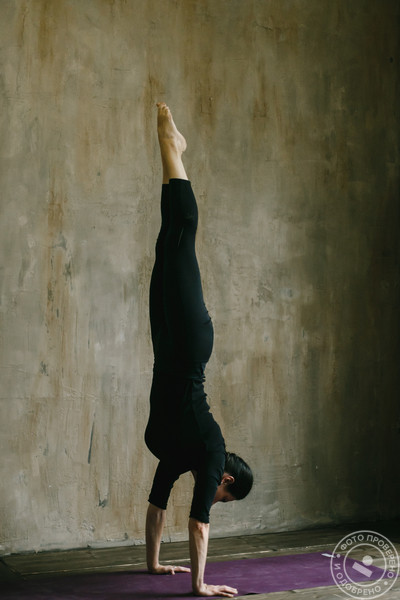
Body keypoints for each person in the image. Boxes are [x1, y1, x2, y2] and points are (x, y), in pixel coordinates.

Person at [145, 103, 253, 598]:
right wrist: (200, 585)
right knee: (183, 238)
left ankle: (171, 152)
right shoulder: (210, 449)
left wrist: (154, 565)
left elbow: (157, 504)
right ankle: (172, 147)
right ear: (225, 478)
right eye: (224, 495)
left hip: (166, 343)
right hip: (189, 345)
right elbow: (199, 524)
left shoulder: (179, 453)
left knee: (168, 241)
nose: (215, 496)